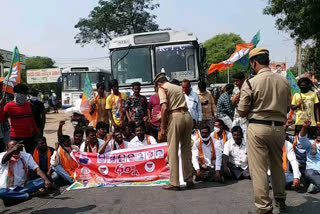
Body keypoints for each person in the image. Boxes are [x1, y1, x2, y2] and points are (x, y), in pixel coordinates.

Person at [237, 48, 291, 213]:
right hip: (279, 128)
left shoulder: (251, 82)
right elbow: (288, 106)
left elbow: (242, 111)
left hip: (258, 127)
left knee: (258, 169)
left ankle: (264, 207)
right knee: (277, 165)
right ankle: (280, 200)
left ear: (254, 62)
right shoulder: (284, 81)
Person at [154, 72, 194, 190]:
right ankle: (189, 178)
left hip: (176, 118)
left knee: (173, 150)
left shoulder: (162, 88)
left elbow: (165, 107)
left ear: (158, 82)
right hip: (187, 116)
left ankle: (174, 182)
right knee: (186, 149)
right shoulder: (178, 87)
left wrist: (162, 127)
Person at [0, 84, 39, 153]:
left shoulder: (27, 104)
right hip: (15, 136)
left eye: (25, 94)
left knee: (31, 154)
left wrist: (36, 130)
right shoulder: (8, 106)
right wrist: (1, 107)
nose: (24, 96)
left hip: (28, 135)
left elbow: (31, 119)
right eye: (22, 94)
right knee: (16, 155)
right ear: (16, 94)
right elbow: (2, 119)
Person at [297, 119, 320, 194]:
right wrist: (304, 127)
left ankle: (315, 186)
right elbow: (302, 138)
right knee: (309, 173)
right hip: (312, 170)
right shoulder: (310, 143)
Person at [231, 72, 248, 139]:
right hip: (236, 116)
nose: (235, 83)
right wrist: (236, 97)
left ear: (242, 80)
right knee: (233, 134)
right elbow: (233, 103)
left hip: (245, 117)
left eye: (237, 80)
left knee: (245, 136)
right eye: (235, 81)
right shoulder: (235, 89)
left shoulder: (247, 88)